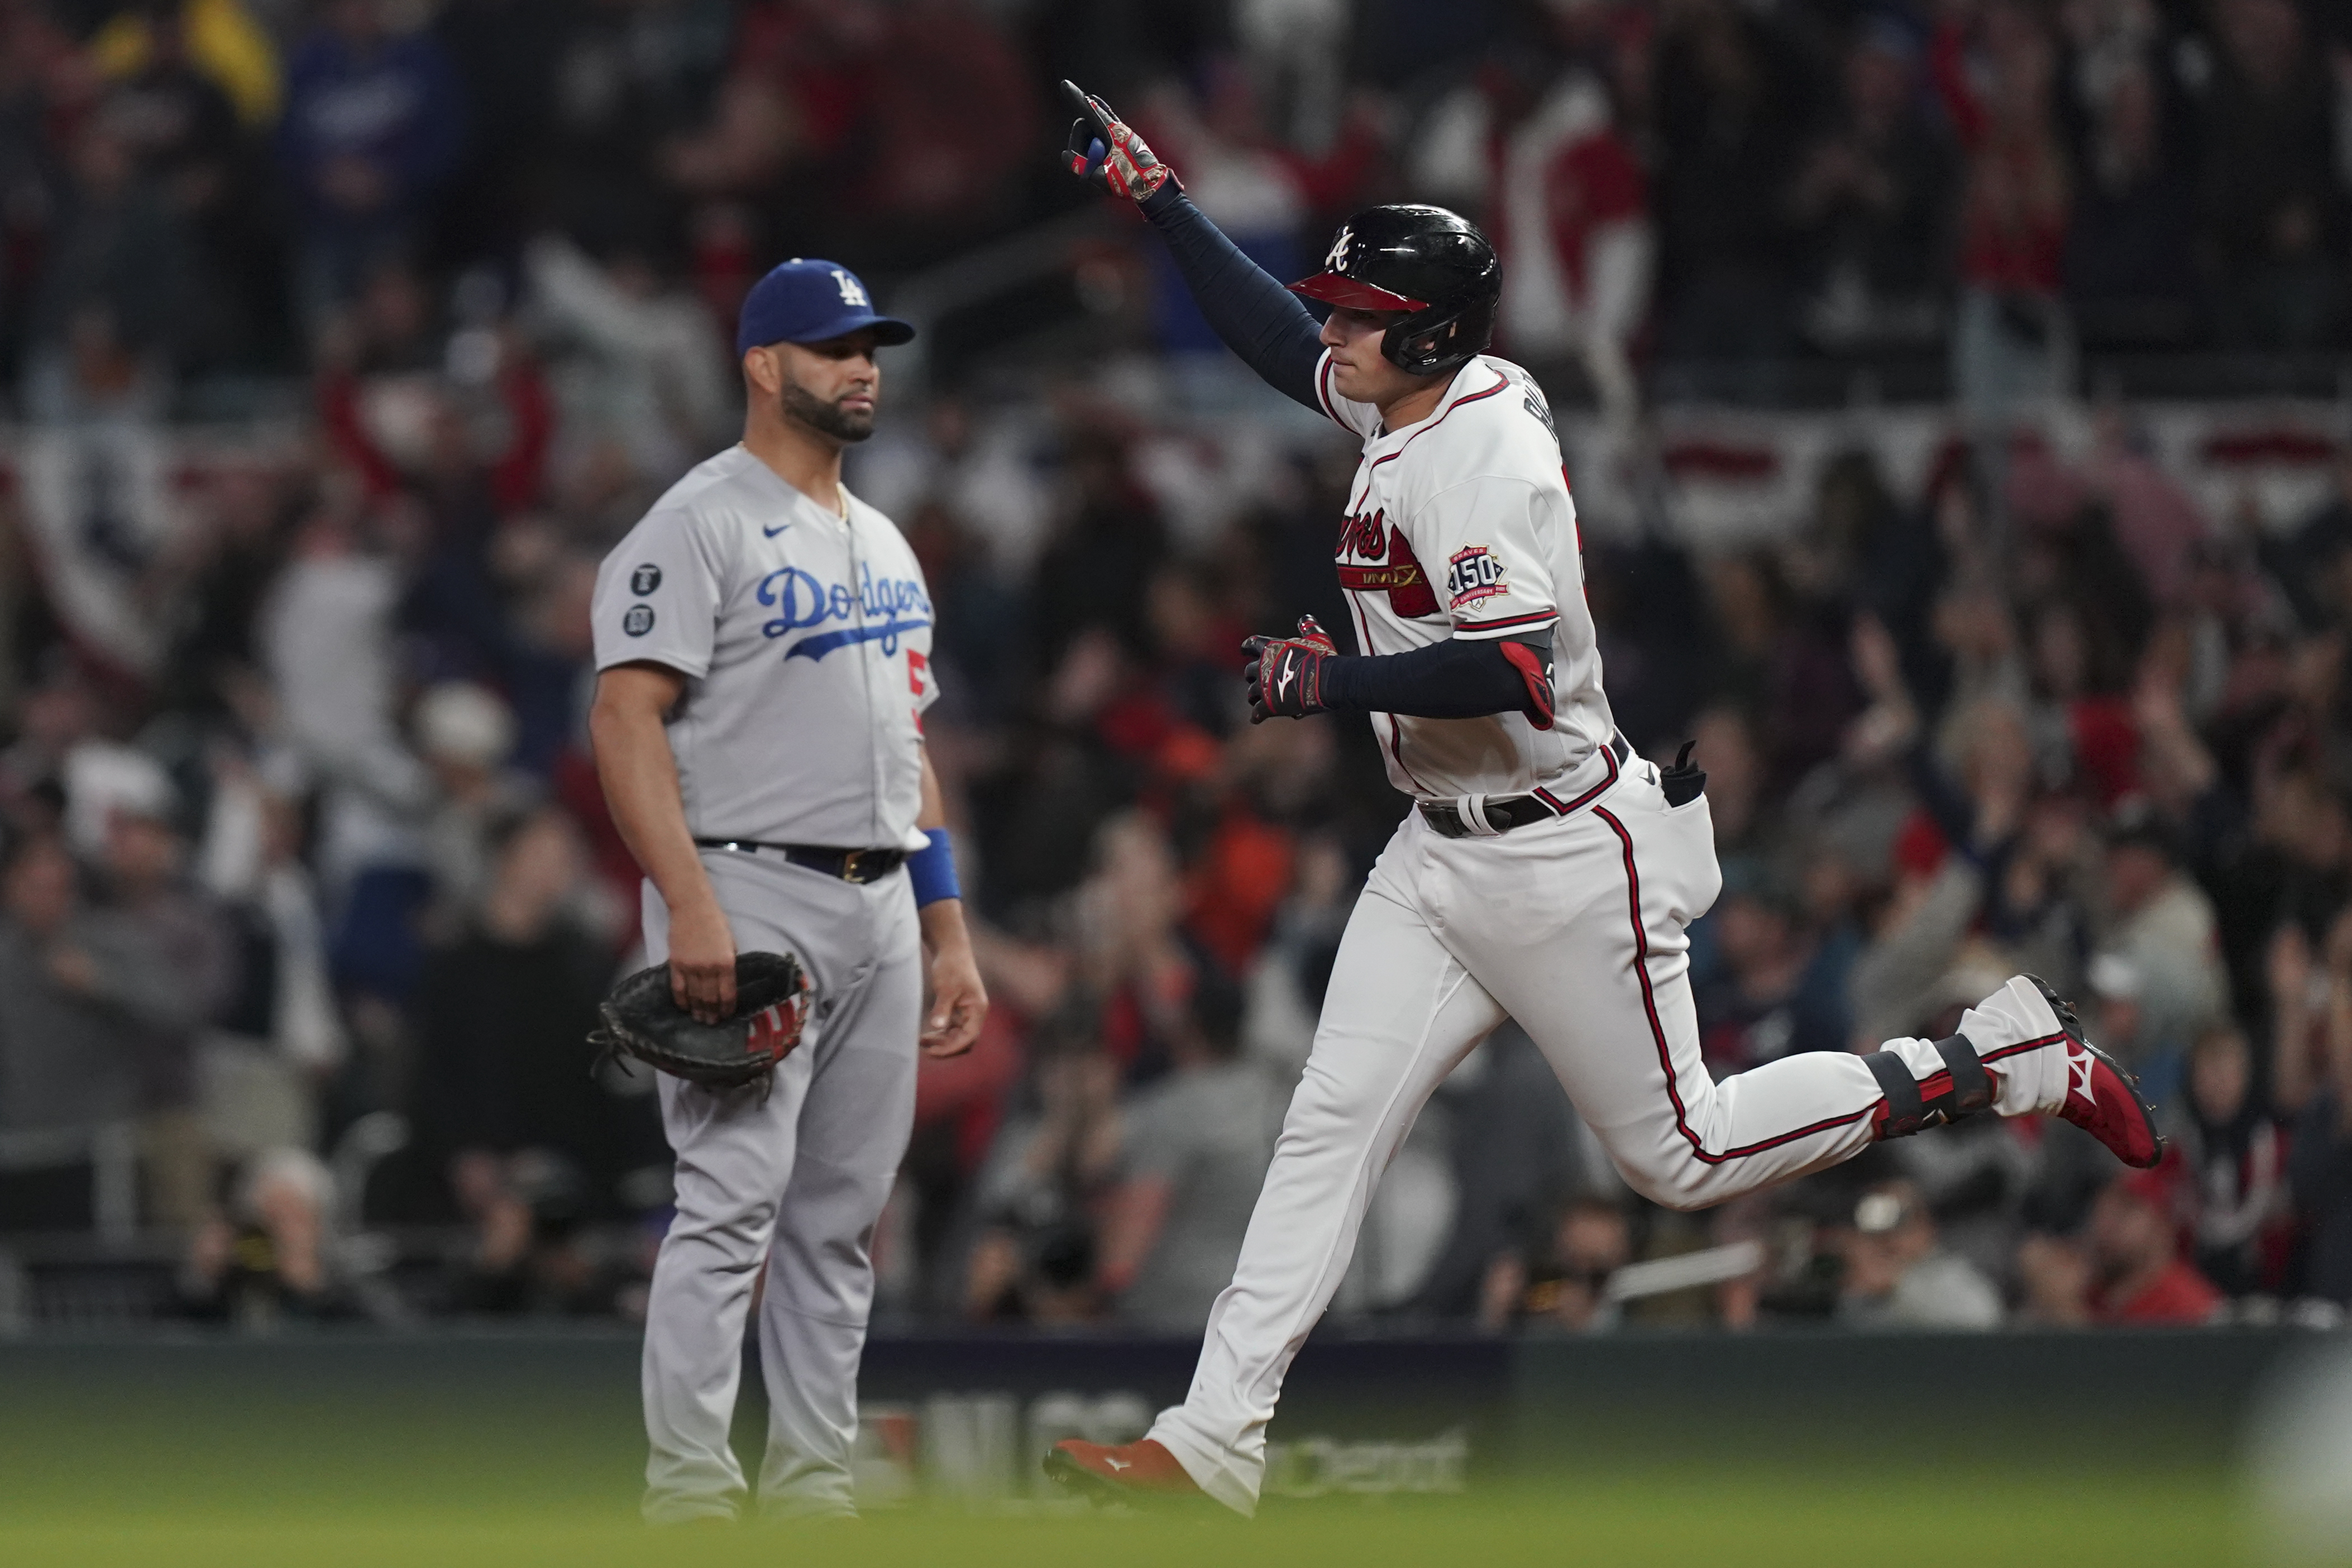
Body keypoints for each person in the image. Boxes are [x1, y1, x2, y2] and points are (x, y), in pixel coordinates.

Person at [1041, 85, 2166, 1517]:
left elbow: (1514, 669)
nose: (1331, 329)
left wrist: (1330, 690)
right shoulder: (1414, 397)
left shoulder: (1485, 452)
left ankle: (1998, 1059)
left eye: (1358, 312)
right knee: (1329, 1121)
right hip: (1437, 854)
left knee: (1681, 1157)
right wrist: (1161, 202)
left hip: (1568, 853)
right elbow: (1278, 346)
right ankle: (1212, 1446)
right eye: (1338, 306)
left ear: (1432, 332)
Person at [587, 257, 987, 1523]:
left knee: (841, 1223)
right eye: (834, 347)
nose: (862, 367)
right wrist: (689, 903)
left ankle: (816, 1498)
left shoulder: (885, 540)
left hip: (880, 901)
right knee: (731, 1208)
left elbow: (907, 750)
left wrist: (948, 917)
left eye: (870, 346)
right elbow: (623, 720)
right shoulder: (697, 521)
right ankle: (691, 1504)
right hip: (748, 888)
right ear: (765, 367)